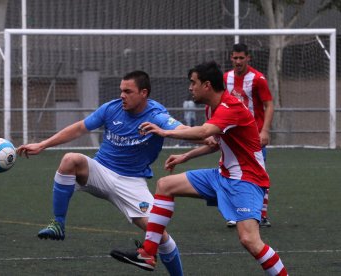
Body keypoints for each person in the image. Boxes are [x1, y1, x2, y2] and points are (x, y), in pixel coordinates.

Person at [110, 61, 288, 275]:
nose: (190, 87)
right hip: (222, 176)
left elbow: (203, 133)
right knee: (166, 184)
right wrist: (185, 156)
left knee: (250, 240)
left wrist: (165, 132)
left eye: (193, 83)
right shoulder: (211, 107)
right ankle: (148, 253)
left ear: (207, 85)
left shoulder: (230, 107)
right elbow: (213, 142)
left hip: (246, 181)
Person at [16, 70, 185, 276]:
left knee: (159, 234)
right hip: (100, 171)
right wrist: (42, 145)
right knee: (70, 159)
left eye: (128, 91)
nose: (122, 95)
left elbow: (181, 129)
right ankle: (58, 223)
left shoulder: (157, 115)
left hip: (131, 182)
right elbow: (79, 128)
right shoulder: (111, 108)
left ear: (143, 93)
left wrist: (207, 137)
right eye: (121, 90)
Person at [224, 43, 274, 228]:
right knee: (229, 172)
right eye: (234, 58)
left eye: (241, 58)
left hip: (254, 136)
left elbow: (269, 105)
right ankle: (233, 214)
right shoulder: (225, 78)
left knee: (258, 173)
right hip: (232, 136)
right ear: (231, 58)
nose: (238, 61)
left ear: (248, 58)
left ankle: (261, 214)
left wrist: (265, 130)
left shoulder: (258, 79)